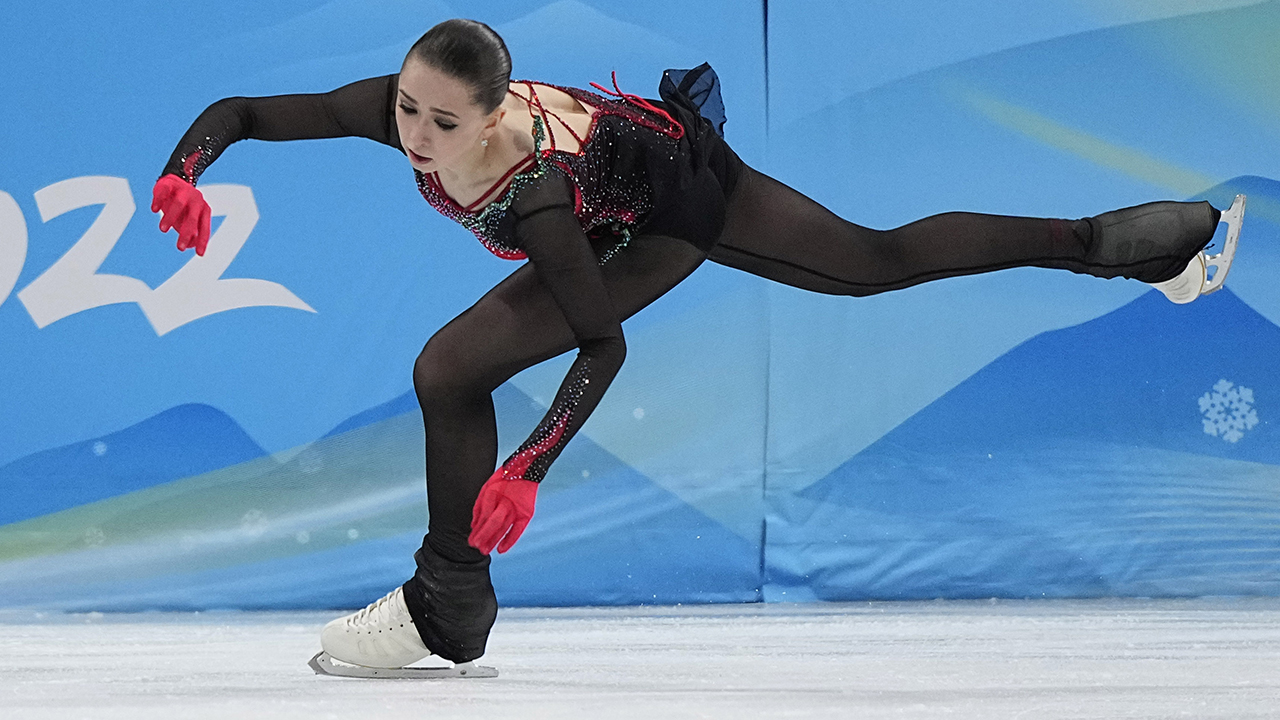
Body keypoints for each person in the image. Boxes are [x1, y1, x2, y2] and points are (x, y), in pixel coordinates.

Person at [152, 18, 1241, 675]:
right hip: (646, 176)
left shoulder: (533, 193)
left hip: (668, 212)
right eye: (403, 110)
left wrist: (529, 466)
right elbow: (242, 107)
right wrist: (182, 172)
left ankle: (444, 611)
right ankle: (1155, 242)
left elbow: (600, 342)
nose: (414, 139)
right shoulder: (398, 112)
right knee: (872, 258)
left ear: (492, 121)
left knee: (450, 368)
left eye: (440, 124)